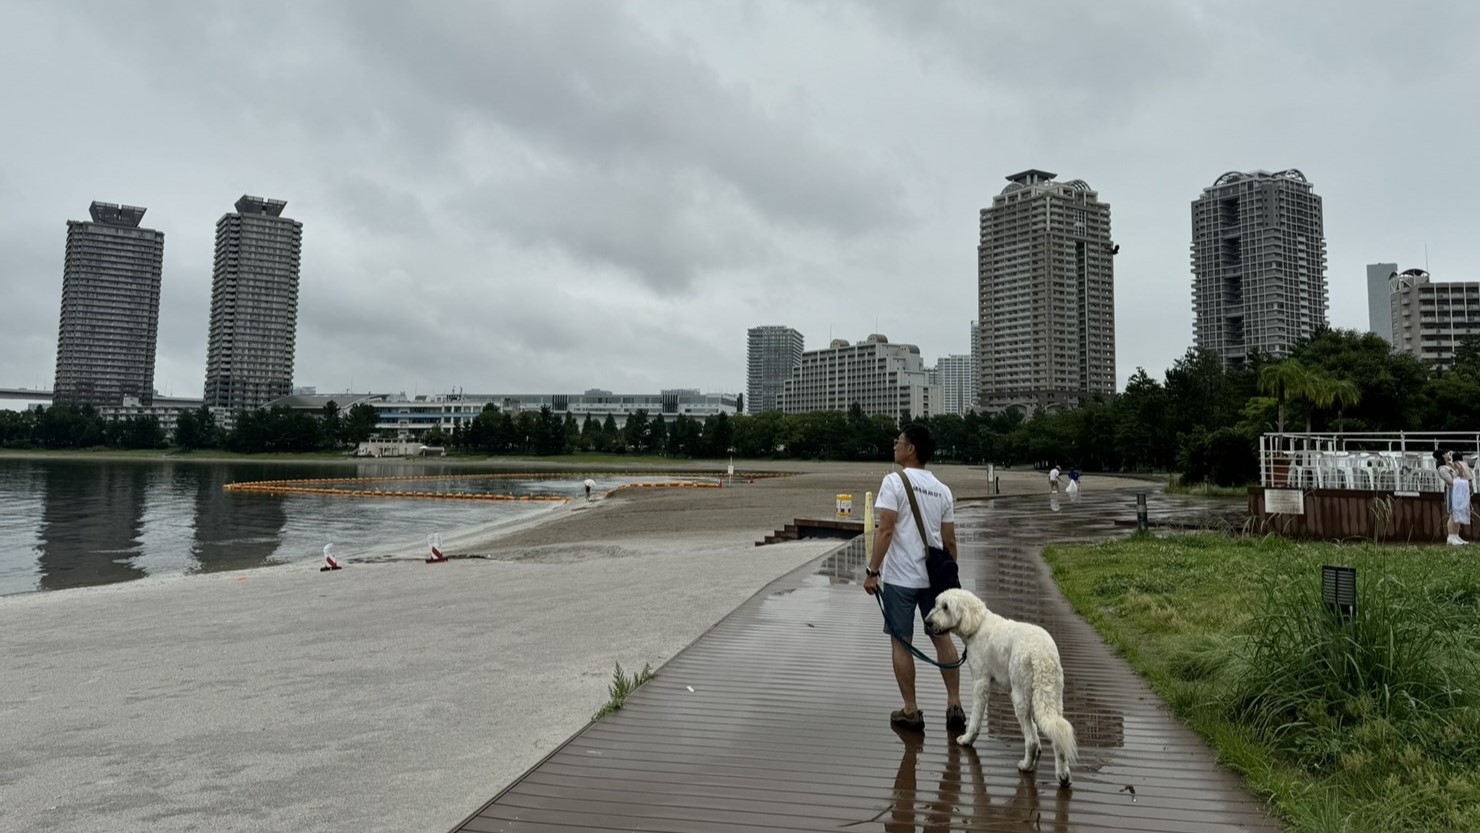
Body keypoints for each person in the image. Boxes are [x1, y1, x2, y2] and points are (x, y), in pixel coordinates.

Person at [863, 423, 964, 733]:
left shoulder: (894, 482)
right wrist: (946, 580)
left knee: (901, 643)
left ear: (911, 449)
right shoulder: (942, 489)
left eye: (899, 441)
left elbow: (887, 529)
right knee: (942, 639)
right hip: (933, 581)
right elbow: (950, 543)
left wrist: (872, 571)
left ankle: (911, 709)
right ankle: (954, 704)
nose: (895, 445)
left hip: (900, 579)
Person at [1436, 450, 1473, 546]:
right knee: (1453, 514)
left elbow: (1460, 474)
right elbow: (1450, 481)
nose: (1449, 455)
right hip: (1452, 493)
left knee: (1458, 514)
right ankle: (1451, 536)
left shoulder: (1450, 466)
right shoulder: (1442, 468)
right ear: (1442, 455)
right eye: (1447, 453)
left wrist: (1454, 465)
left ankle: (1456, 535)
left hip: (1459, 492)